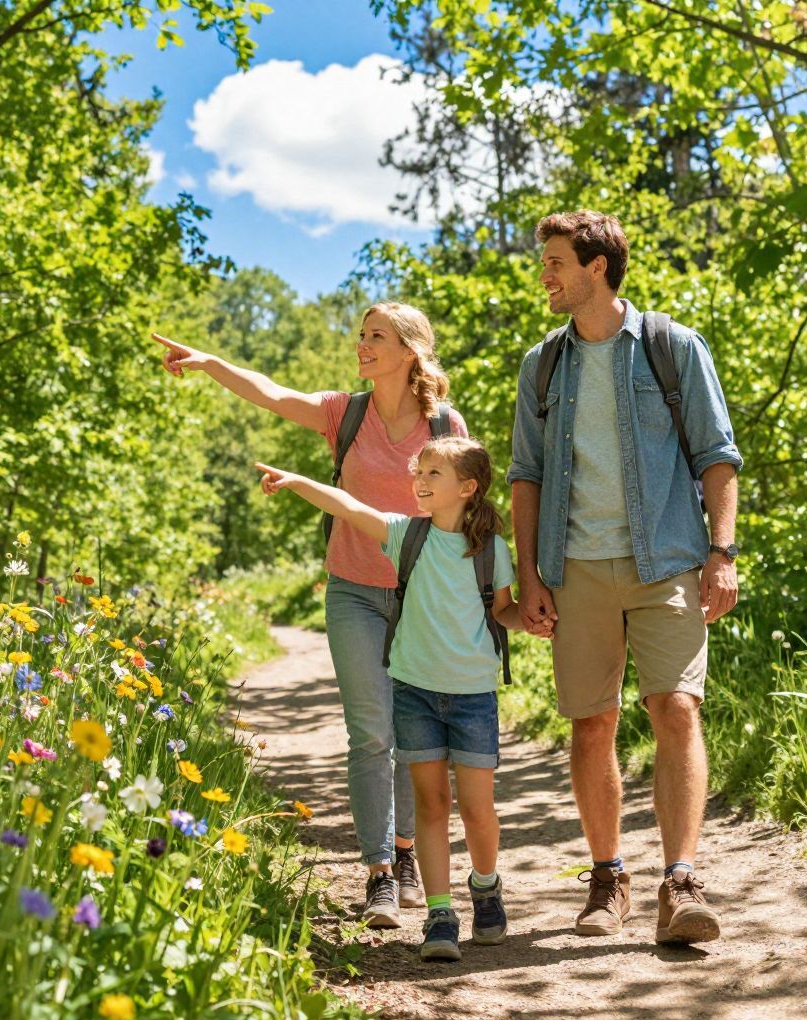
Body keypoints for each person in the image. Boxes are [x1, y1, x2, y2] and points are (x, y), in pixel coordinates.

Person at [154, 304, 469, 927]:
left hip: (420, 595)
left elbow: (463, 504)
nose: (363, 344)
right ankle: (379, 871)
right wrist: (212, 362)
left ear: (410, 350)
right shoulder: (344, 413)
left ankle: (409, 854)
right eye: (361, 335)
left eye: (376, 336)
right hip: (352, 589)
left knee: (414, 735)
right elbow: (271, 393)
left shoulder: (443, 423)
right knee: (371, 730)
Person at [508, 210, 742, 945]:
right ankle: (608, 878)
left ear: (596, 267)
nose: (543, 276)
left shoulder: (673, 347)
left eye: (553, 263)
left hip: (667, 560)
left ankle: (681, 882)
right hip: (575, 569)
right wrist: (529, 576)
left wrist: (723, 552)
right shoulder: (543, 365)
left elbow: (716, 455)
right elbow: (525, 476)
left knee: (676, 708)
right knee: (591, 723)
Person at [256, 435, 525, 962]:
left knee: (477, 810)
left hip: (473, 695)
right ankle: (440, 914)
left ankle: (486, 888)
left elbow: (504, 611)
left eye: (432, 476)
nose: (419, 484)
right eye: (418, 473)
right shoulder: (407, 535)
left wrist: (539, 621)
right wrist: (298, 482)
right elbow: (350, 507)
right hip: (415, 691)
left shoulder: (491, 549)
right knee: (431, 804)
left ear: (467, 488)